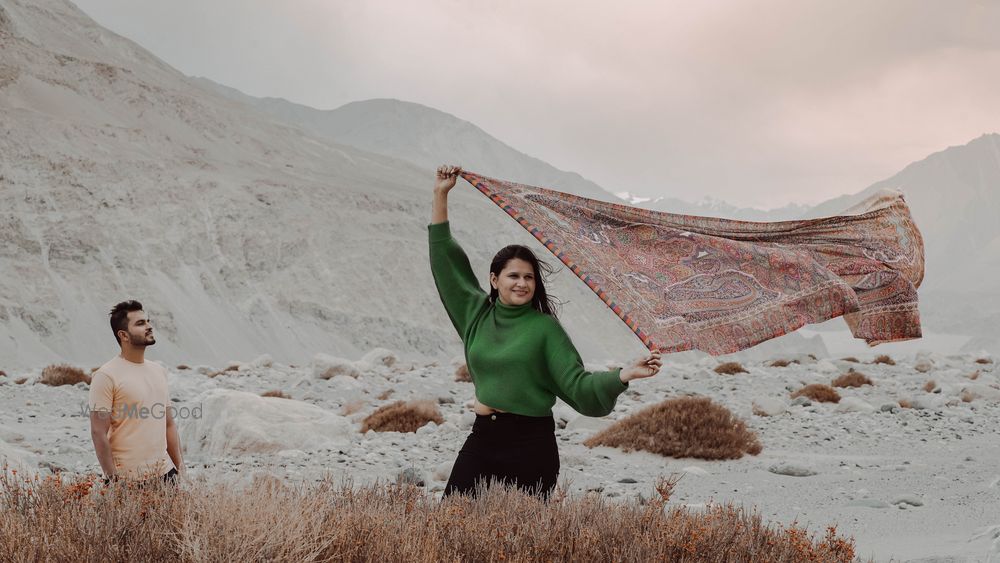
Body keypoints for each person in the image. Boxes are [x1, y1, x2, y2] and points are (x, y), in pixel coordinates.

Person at [429, 164, 662, 499]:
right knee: (451, 523)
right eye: (513, 276)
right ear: (494, 280)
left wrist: (623, 375)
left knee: (525, 542)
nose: (522, 283)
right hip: (482, 438)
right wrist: (440, 194)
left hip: (530, 445)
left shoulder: (544, 329)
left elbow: (578, 387)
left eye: (529, 277)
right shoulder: (474, 313)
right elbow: (444, 261)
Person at [89, 300, 184, 484]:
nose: (149, 327)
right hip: (128, 480)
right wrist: (114, 480)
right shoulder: (106, 375)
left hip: (166, 475)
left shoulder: (158, 371)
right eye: (140, 323)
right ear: (123, 335)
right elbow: (98, 432)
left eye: (147, 321)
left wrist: (180, 468)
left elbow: (169, 424)